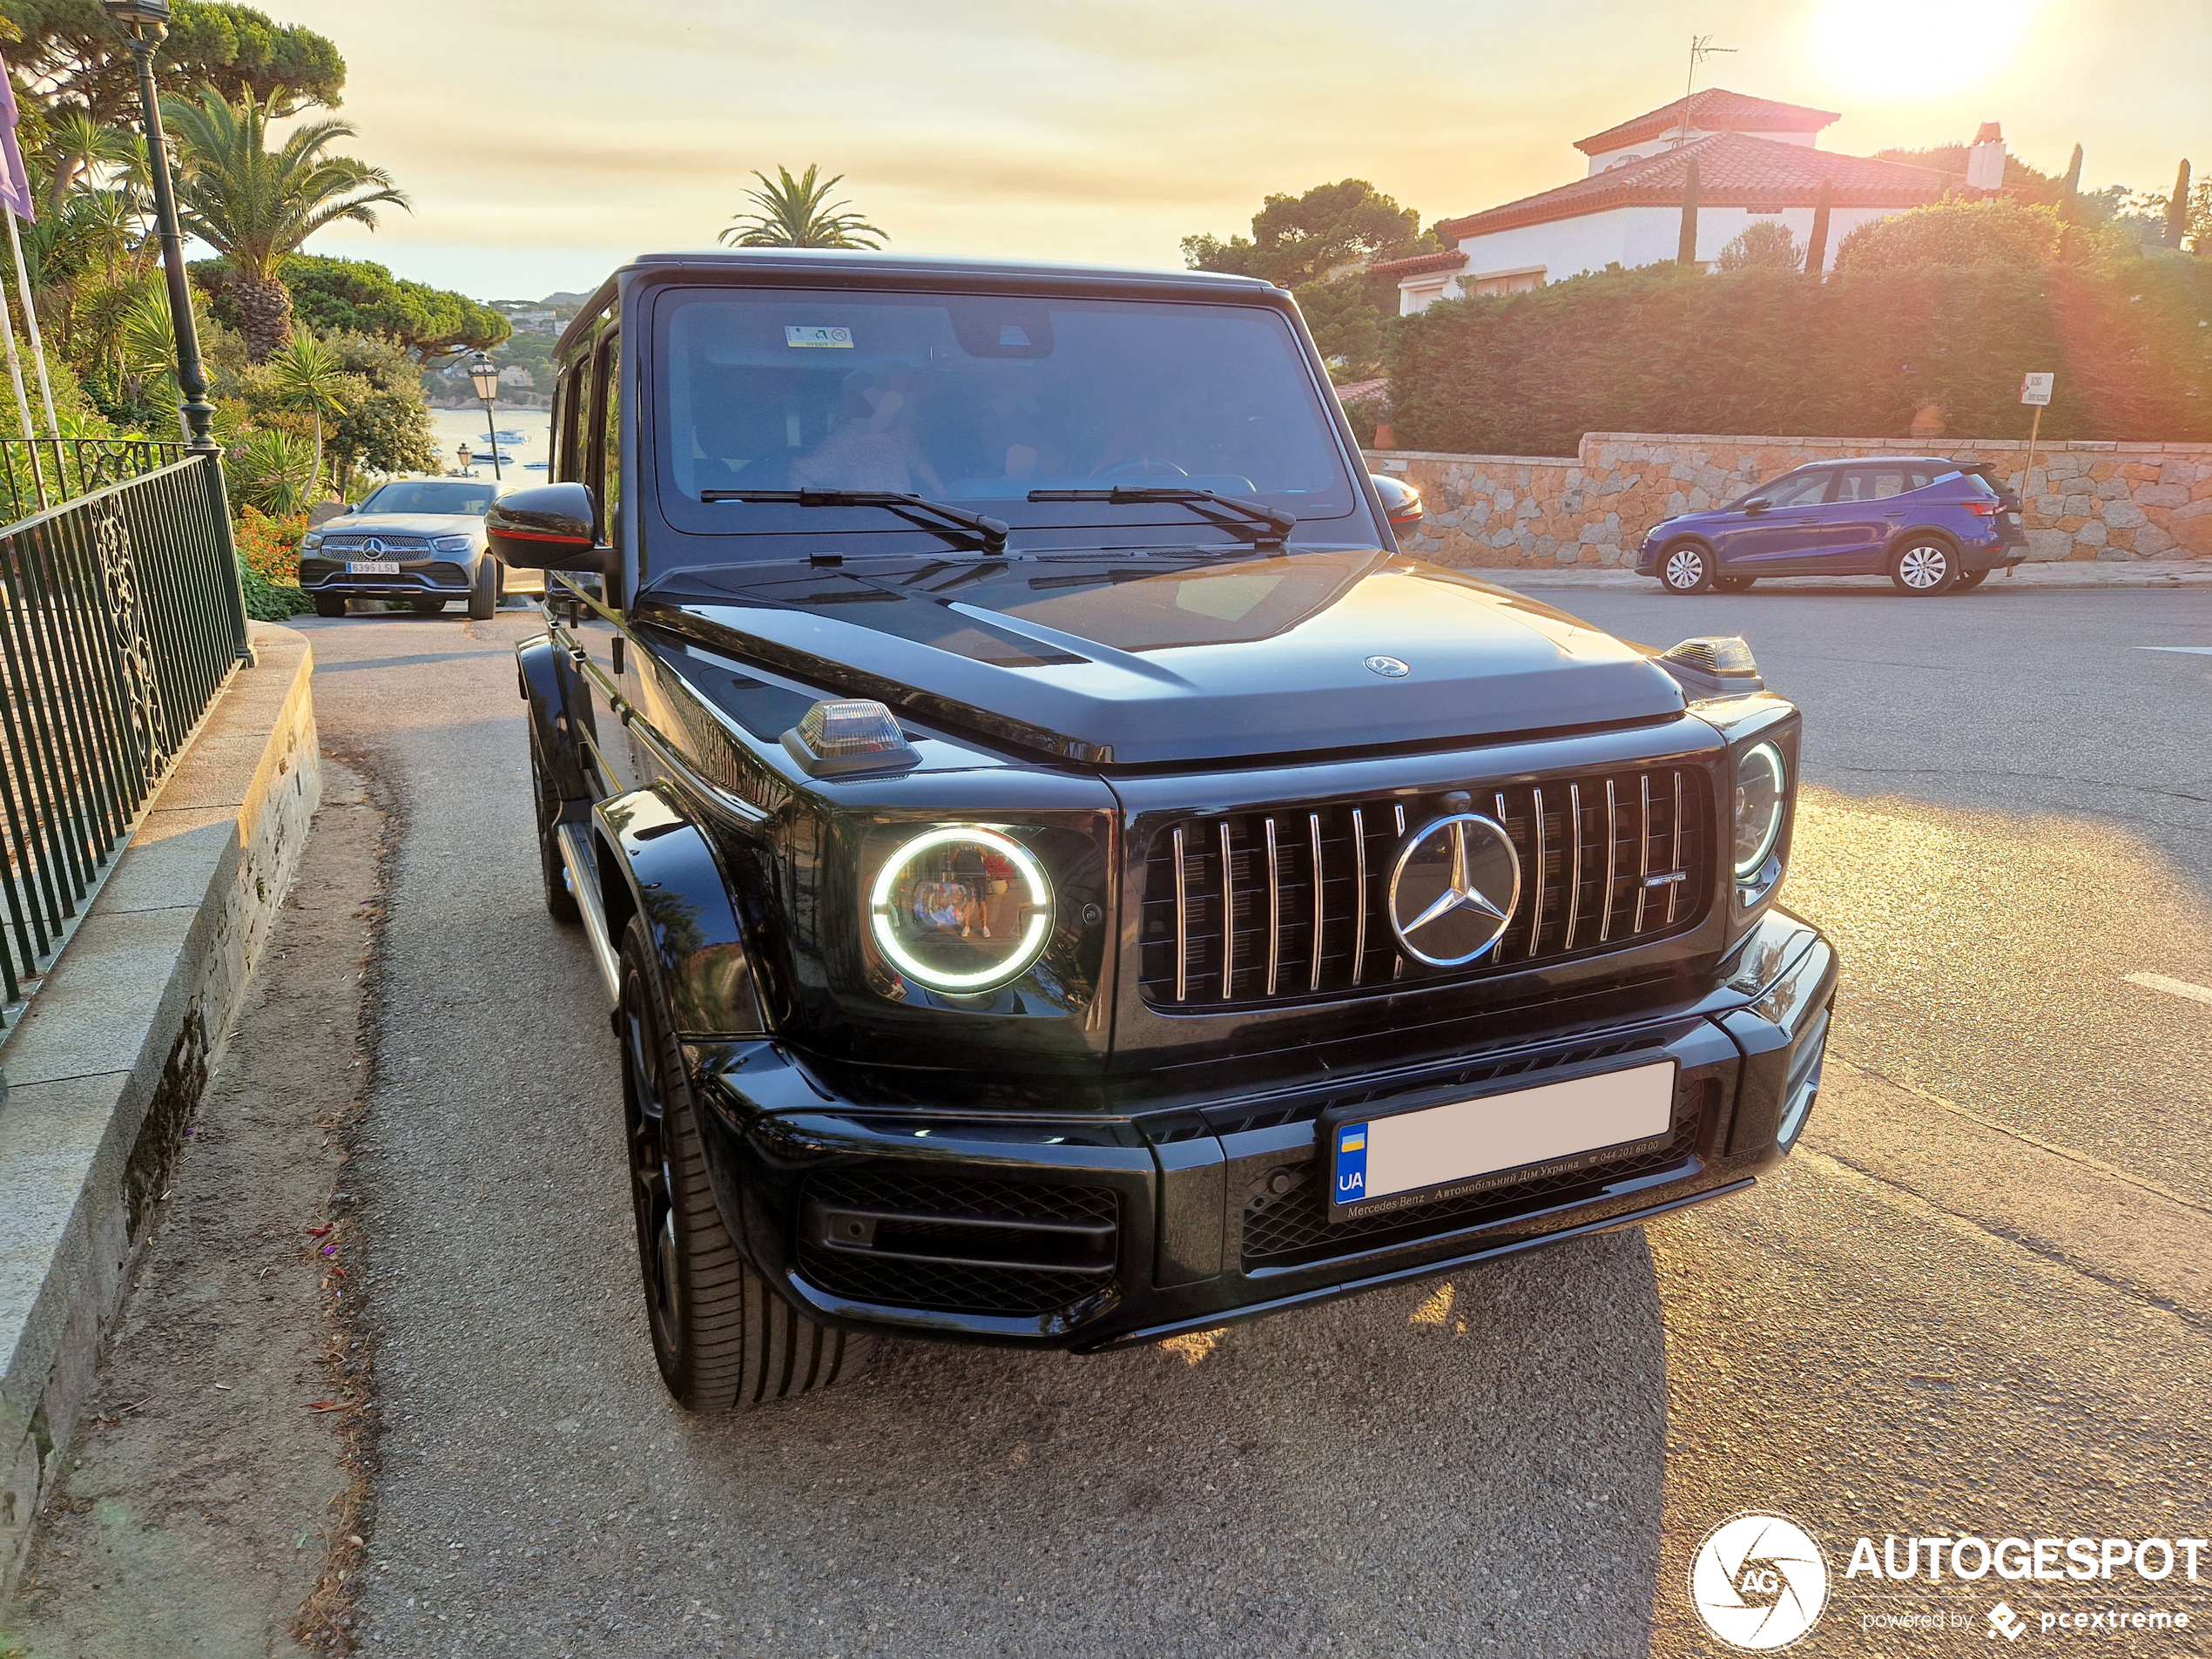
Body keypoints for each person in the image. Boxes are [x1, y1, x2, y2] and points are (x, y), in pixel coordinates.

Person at [790, 363, 946, 495]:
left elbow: (920, 464)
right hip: (860, 519)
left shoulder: (902, 436)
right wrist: (806, 510)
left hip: (901, 515)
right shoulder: (844, 441)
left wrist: (943, 494)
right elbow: (801, 473)